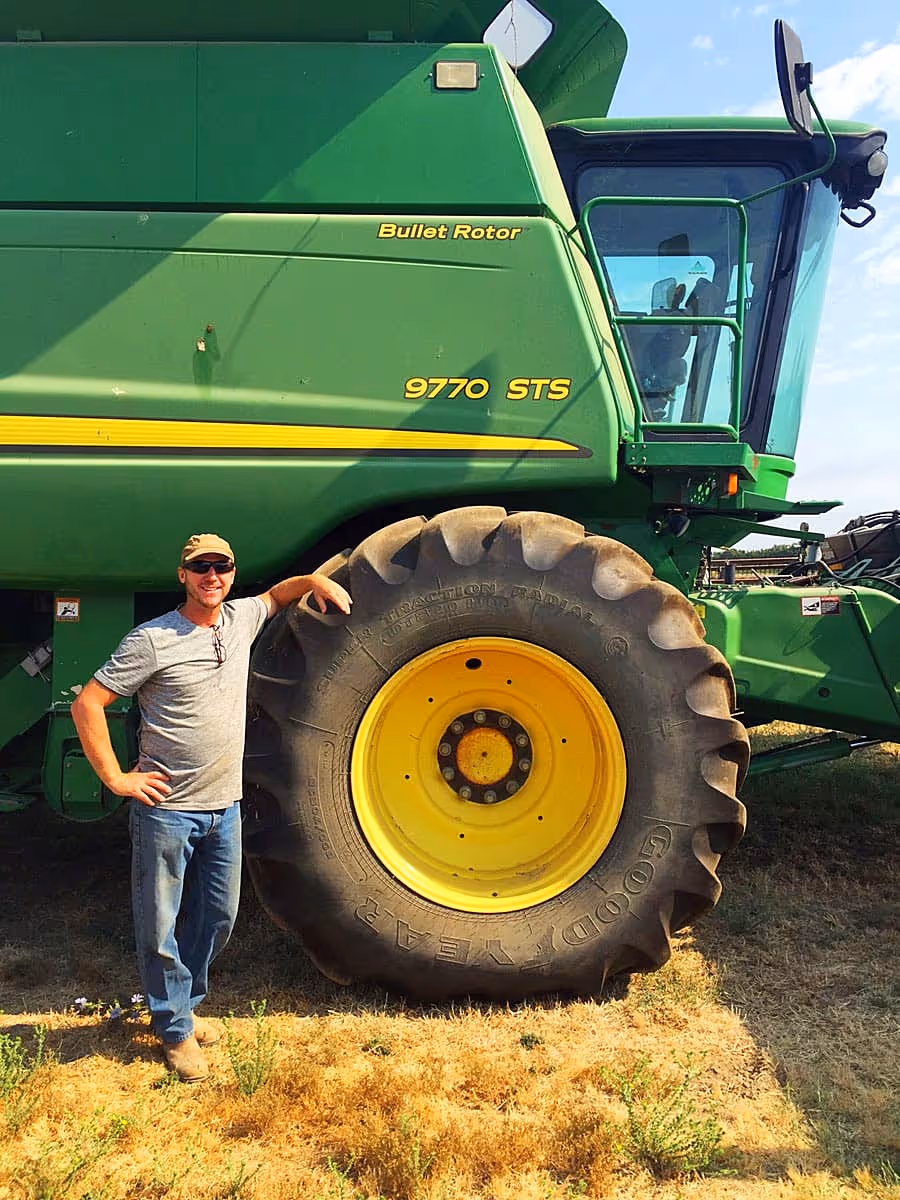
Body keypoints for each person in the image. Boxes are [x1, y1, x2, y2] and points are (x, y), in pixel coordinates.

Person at [71, 533, 352, 1082]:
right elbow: (89, 703)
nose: (211, 577)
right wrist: (115, 778)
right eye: (200, 568)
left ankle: (186, 1001)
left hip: (224, 808)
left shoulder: (239, 619)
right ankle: (173, 1029)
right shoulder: (152, 640)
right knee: (159, 925)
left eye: (221, 567)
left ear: (230, 573)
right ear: (183, 575)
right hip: (167, 811)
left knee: (219, 918)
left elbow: (276, 595)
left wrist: (315, 581)